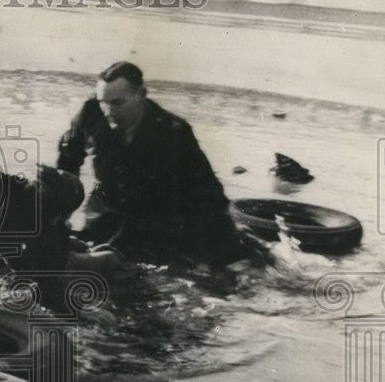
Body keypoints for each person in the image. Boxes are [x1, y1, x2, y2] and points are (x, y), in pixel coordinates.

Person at [58, 62, 247, 270]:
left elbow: (209, 195)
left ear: (141, 95)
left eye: (117, 103)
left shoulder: (174, 132)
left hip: (154, 229)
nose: (108, 111)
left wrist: (225, 254)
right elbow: (67, 163)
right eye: (104, 102)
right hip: (103, 219)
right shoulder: (91, 113)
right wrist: (59, 216)